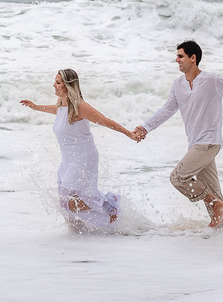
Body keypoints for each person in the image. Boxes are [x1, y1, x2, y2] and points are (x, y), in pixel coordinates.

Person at [133, 40, 223, 227]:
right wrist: (146, 127)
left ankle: (216, 205)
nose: (177, 60)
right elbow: (167, 110)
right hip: (196, 144)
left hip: (209, 142)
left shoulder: (212, 80)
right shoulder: (178, 85)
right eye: (177, 56)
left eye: (180, 56)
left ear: (193, 58)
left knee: (178, 177)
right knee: (214, 195)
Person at [21, 69, 139, 231]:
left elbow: (104, 121)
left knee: (68, 202)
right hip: (68, 160)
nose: (54, 85)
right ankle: (77, 234)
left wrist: (129, 134)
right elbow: (56, 111)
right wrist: (35, 107)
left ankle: (111, 209)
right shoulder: (62, 105)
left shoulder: (80, 106)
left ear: (68, 86)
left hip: (83, 158)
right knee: (66, 201)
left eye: (58, 82)